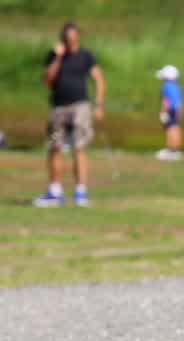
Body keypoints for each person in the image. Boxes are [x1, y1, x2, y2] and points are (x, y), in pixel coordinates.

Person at [34, 21, 104, 208]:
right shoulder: (54, 55)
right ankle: (54, 192)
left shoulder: (85, 56)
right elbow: (48, 81)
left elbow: (98, 79)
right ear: (62, 39)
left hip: (80, 106)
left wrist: (98, 104)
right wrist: (57, 58)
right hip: (58, 106)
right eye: (67, 39)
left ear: (77, 38)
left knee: (79, 148)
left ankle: (81, 192)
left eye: (72, 39)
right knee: (55, 147)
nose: (70, 42)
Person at [155, 65, 183, 161]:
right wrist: (180, 113)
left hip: (169, 110)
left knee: (169, 129)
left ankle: (170, 150)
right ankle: (175, 150)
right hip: (176, 110)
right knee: (176, 128)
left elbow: (165, 100)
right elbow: (179, 102)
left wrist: (163, 112)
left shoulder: (165, 86)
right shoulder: (177, 87)